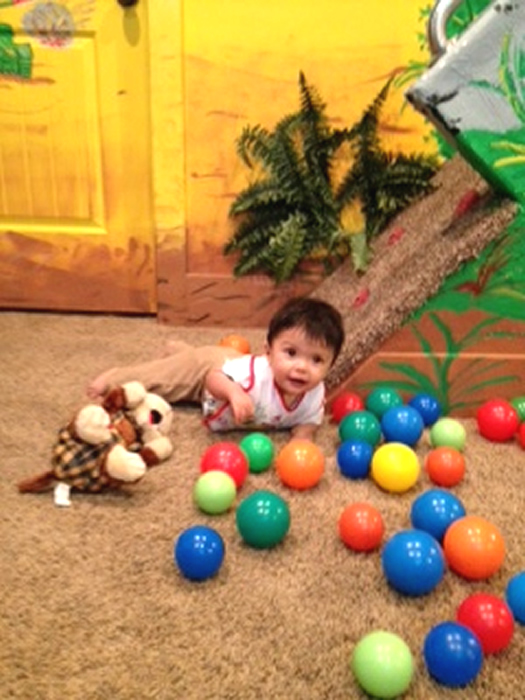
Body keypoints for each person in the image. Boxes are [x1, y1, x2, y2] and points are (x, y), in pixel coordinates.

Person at [87, 297, 345, 441]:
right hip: (213, 372)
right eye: (291, 353)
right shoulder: (253, 374)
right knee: (161, 381)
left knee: (181, 364)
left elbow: (307, 423)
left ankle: (179, 353)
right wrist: (234, 392)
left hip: (221, 378)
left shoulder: (314, 395)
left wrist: (301, 444)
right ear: (268, 352)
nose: (302, 367)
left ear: (330, 365)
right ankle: (115, 376)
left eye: (316, 360)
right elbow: (213, 378)